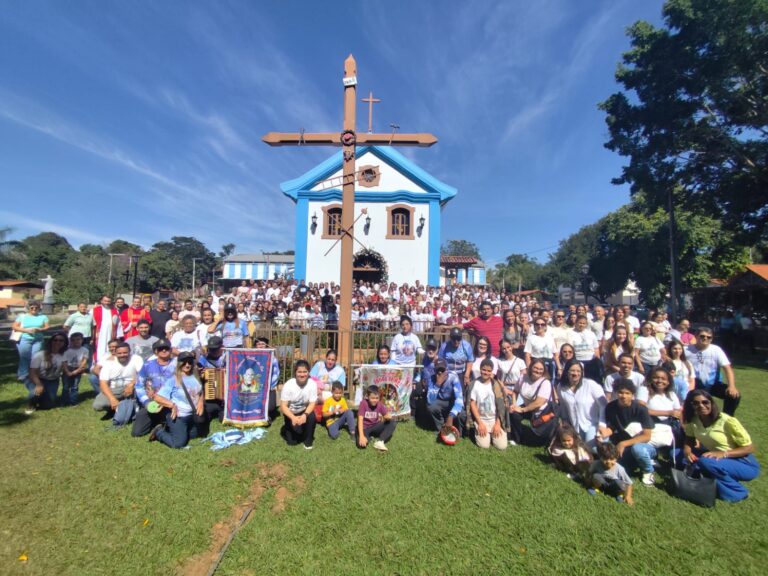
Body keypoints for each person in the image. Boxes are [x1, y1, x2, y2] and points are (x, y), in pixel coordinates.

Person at [682, 390, 760, 502]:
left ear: (711, 403)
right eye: (696, 403)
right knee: (676, 455)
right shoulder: (693, 420)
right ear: (691, 405)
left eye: (705, 402)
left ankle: (738, 492)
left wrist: (723, 453)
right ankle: (706, 477)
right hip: (714, 456)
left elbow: (749, 448)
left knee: (705, 461)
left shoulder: (727, 421)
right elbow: (689, 439)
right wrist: (687, 451)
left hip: (743, 462)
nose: (701, 406)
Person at [599, 379, 657, 486]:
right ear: (616, 393)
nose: (623, 396)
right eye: (620, 392)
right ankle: (635, 463)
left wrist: (623, 444)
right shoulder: (611, 407)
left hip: (645, 444)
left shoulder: (641, 409)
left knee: (637, 449)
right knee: (618, 467)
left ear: (632, 395)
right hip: (624, 442)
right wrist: (603, 434)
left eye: (627, 393)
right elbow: (612, 427)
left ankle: (648, 471)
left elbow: (647, 436)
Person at [149, 352, 206, 449]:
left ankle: (175, 430)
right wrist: (172, 405)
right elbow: (157, 397)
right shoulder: (173, 380)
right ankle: (159, 432)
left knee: (196, 435)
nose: (187, 365)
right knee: (179, 444)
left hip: (192, 415)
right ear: (179, 364)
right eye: (184, 362)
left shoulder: (196, 376)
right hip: (179, 416)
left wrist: (201, 402)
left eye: (190, 362)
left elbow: (200, 391)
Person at [687, 327, 740, 416]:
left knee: (733, 395)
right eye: (702, 336)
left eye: (709, 337)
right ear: (696, 336)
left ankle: (727, 417)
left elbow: (727, 368)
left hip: (713, 384)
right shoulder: (687, 350)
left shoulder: (716, 350)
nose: (705, 338)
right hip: (694, 385)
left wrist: (732, 386)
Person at [132, 338, 177, 437]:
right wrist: (146, 402)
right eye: (161, 349)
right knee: (137, 432)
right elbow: (139, 386)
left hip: (171, 403)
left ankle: (162, 425)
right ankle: (157, 421)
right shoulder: (147, 365)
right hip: (152, 403)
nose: (164, 350)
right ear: (156, 351)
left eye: (166, 348)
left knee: (175, 430)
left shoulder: (178, 364)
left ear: (170, 350)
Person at [557, 360, 607, 448]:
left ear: (582, 373)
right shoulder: (561, 387)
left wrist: (602, 425)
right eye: (572, 371)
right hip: (575, 425)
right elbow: (563, 407)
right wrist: (565, 423)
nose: (575, 373)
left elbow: (603, 405)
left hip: (592, 424)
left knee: (593, 448)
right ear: (566, 372)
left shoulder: (591, 385)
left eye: (578, 371)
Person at [93, 341, 142, 415]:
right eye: (119, 353)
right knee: (98, 405)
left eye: (125, 352)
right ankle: (114, 409)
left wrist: (132, 384)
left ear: (130, 352)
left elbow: (143, 375)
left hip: (132, 388)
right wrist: (112, 399)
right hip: (114, 389)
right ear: (115, 353)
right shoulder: (108, 363)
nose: (122, 355)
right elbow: (103, 383)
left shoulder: (136, 359)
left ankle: (131, 407)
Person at [469, 358, 508, 450]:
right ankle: (479, 429)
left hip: (494, 420)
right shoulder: (474, 384)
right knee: (484, 445)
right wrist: (480, 423)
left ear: (492, 371)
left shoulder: (496, 385)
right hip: (481, 420)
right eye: (484, 370)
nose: (486, 373)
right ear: (480, 369)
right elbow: (472, 404)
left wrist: (498, 423)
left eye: (489, 371)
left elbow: (501, 406)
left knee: (502, 446)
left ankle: (493, 434)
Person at [280, 360, 317, 449]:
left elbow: (312, 403)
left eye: (305, 372)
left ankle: (308, 442)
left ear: (308, 372)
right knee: (293, 442)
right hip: (291, 413)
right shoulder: (288, 385)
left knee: (312, 416)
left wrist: (305, 415)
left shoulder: (312, 384)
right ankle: (288, 427)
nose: (302, 374)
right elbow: (283, 406)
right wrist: (292, 417)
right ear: (295, 373)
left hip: (304, 411)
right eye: (299, 372)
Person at [27, 331, 67, 412]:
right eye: (55, 340)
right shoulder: (40, 355)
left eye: (61, 340)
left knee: (48, 405)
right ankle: (31, 404)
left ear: (64, 343)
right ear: (51, 341)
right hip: (39, 379)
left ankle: (42, 398)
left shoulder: (64, 355)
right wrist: (38, 384)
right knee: (34, 394)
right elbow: (32, 372)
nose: (58, 342)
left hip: (53, 381)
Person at [13, 301, 50, 388]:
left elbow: (47, 326)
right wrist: (26, 330)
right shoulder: (22, 317)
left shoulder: (43, 317)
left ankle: (34, 374)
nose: (34, 309)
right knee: (25, 357)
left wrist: (40, 329)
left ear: (39, 308)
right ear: (28, 308)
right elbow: (14, 326)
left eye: (36, 308)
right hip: (25, 338)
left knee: (35, 357)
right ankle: (23, 375)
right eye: (32, 308)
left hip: (38, 339)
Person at [426, 359, 466, 438]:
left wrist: (451, 415)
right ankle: (441, 429)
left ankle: (460, 432)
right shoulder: (432, 379)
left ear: (447, 369)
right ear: (434, 371)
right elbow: (429, 400)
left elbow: (459, 399)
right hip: (441, 402)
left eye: (442, 370)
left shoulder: (453, 377)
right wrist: (438, 384)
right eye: (438, 370)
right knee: (431, 407)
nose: (440, 372)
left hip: (452, 402)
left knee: (462, 413)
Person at [357, 384, 396, 452]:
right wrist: (361, 436)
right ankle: (368, 437)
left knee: (392, 422)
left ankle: (380, 441)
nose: (375, 400)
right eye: (372, 398)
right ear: (367, 396)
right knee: (361, 445)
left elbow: (386, 414)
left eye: (377, 398)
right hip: (365, 428)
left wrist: (387, 416)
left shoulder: (379, 404)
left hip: (375, 426)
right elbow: (360, 420)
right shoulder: (363, 403)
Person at [523, 319, 558, 384]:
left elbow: (555, 354)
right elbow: (527, 355)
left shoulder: (550, 338)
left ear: (545, 326)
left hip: (549, 365)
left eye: (542, 324)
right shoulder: (531, 338)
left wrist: (559, 368)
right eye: (537, 324)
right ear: (534, 327)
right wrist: (529, 368)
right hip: (537, 365)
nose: (540, 326)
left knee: (550, 385)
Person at [568, 315, 601, 381]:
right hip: (578, 360)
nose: (581, 325)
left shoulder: (591, 333)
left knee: (591, 380)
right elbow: (569, 349)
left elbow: (596, 348)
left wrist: (597, 359)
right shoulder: (570, 333)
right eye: (580, 323)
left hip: (591, 361)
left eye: (584, 323)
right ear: (576, 323)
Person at [61, 332, 89, 407]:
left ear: (82, 340)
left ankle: (73, 401)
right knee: (66, 387)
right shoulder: (67, 350)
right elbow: (64, 362)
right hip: (67, 368)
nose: (76, 341)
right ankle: (64, 401)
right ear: (70, 341)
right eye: (73, 340)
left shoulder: (85, 350)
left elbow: (84, 361)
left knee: (75, 386)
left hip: (78, 369)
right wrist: (67, 371)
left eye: (78, 339)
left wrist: (78, 370)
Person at [92, 295, 122, 363]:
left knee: (111, 348)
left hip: (111, 335)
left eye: (108, 301)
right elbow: (91, 324)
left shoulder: (115, 311)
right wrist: (92, 336)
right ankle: (98, 362)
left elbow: (119, 324)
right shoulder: (94, 310)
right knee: (100, 348)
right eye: (105, 301)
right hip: (99, 335)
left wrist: (118, 336)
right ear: (101, 301)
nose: (107, 302)